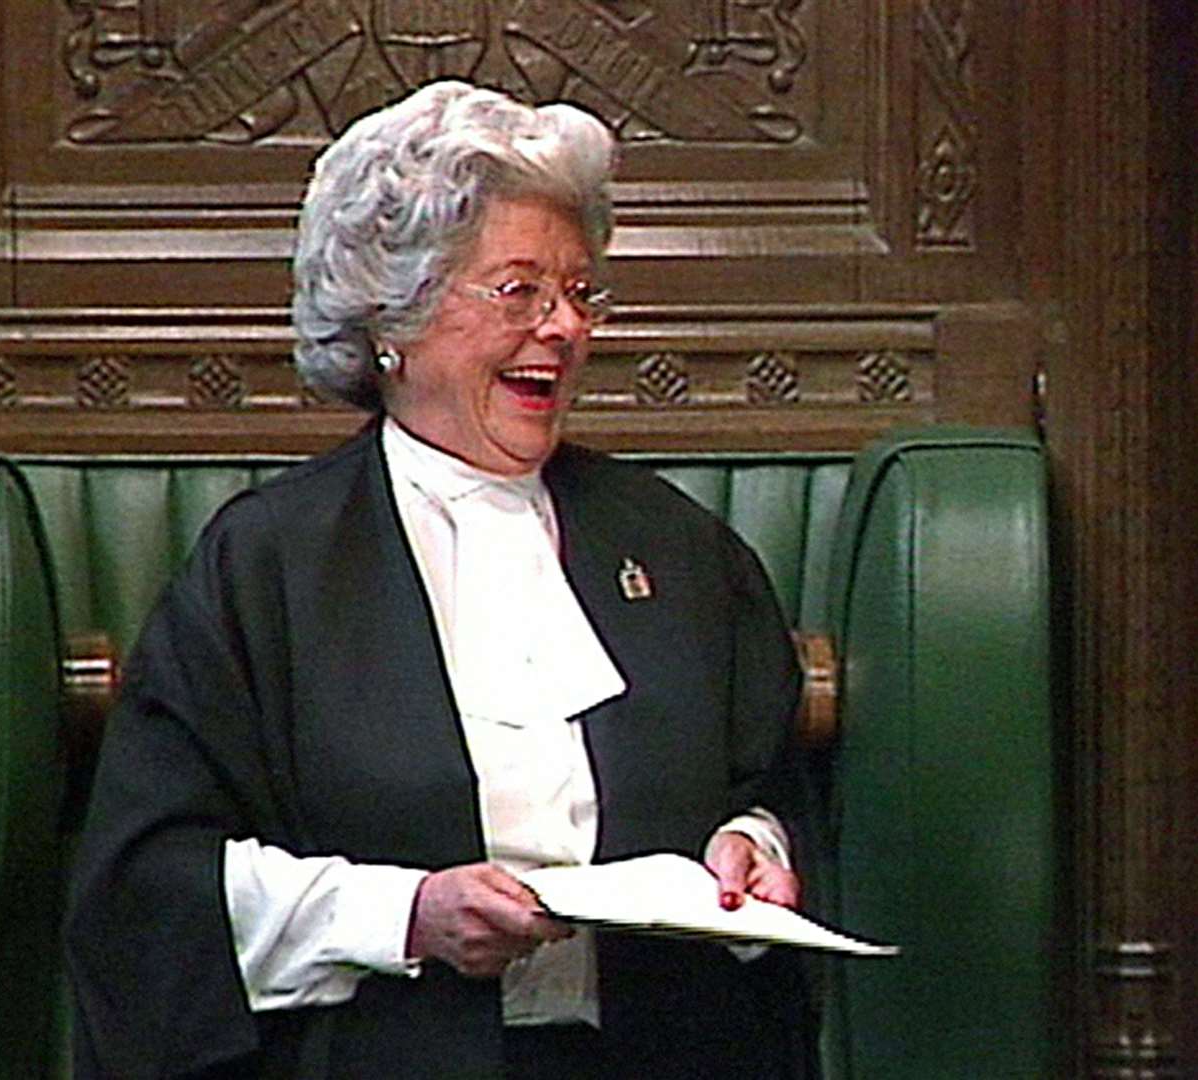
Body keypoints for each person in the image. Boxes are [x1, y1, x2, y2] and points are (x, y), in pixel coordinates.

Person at [65, 80, 815, 1079]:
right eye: (518, 291)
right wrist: (404, 918)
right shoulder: (268, 566)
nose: (563, 328)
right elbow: (147, 887)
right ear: (395, 317)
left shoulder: (677, 547)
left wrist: (752, 845)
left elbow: (770, 785)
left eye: (580, 293)